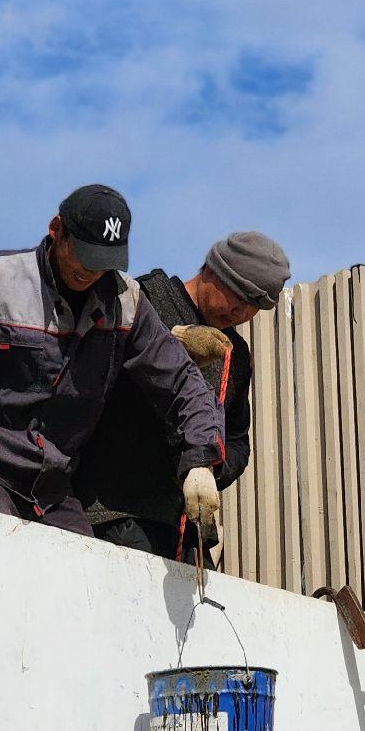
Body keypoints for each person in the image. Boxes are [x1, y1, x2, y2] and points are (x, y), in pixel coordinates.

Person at [0, 184, 224, 536]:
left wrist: (201, 460)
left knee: (84, 572)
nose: (91, 272)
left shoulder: (127, 305)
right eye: (84, 254)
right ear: (56, 230)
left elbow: (184, 382)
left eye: (104, 262)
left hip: (52, 487)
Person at [74, 231, 290, 564]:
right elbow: (91, 378)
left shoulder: (236, 355)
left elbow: (236, 441)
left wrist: (206, 469)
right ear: (212, 271)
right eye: (238, 297)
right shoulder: (145, 301)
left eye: (254, 307)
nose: (241, 313)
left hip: (188, 533)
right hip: (117, 512)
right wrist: (171, 345)